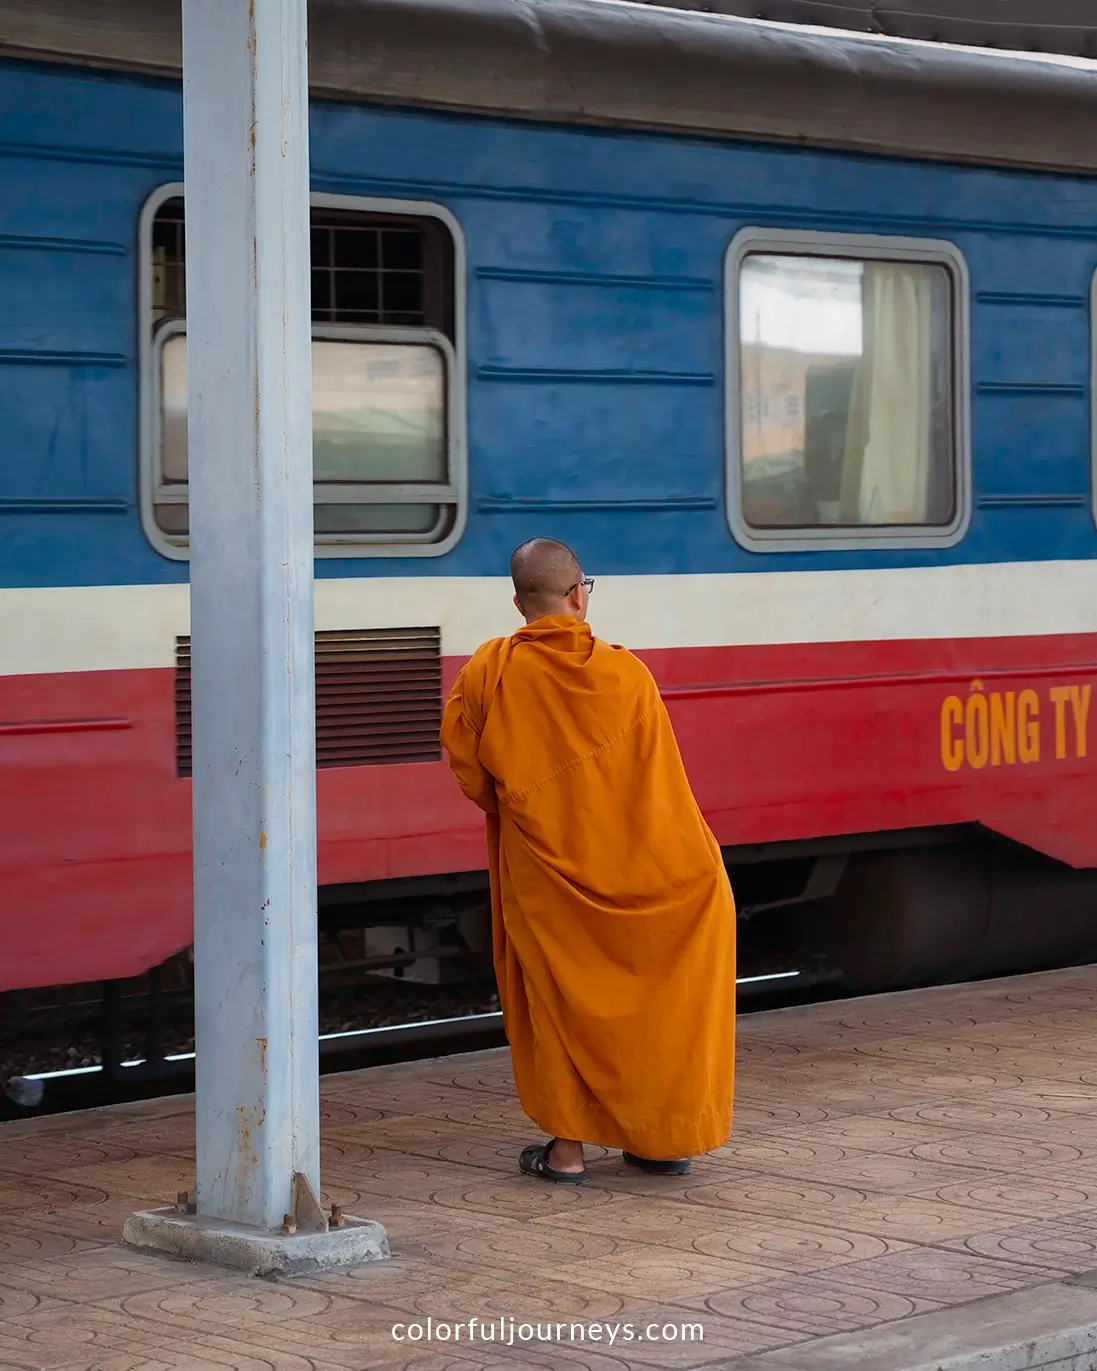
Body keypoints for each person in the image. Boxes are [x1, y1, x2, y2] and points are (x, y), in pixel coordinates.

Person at [440, 537, 736, 1182]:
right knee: (663, 997)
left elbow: (472, 773)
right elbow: (657, 784)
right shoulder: (628, 675)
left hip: (546, 868)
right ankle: (660, 1140)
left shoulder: (489, 671)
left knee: (555, 997)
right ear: (578, 595)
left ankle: (567, 1153)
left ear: (518, 602)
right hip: (653, 869)